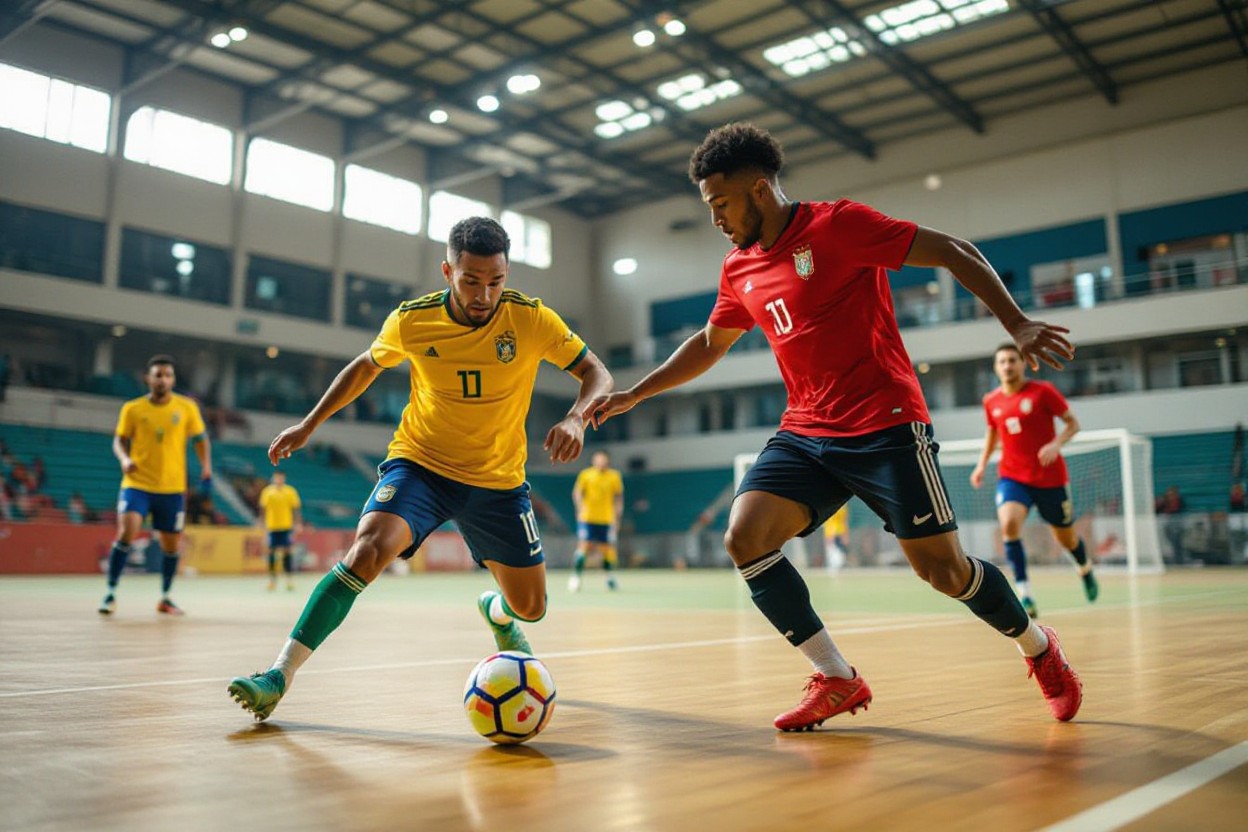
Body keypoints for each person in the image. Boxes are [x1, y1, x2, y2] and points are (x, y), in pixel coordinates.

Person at [588, 123, 1082, 731]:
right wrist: (638, 391)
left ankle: (1038, 647)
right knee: (744, 536)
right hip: (806, 431)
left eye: (720, 203)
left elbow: (955, 251)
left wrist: (1018, 322)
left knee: (944, 573)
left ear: (760, 190)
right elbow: (711, 342)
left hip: (886, 425)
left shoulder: (838, 226)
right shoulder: (738, 265)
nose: (715, 217)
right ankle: (837, 678)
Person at [227, 217, 612, 721]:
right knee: (368, 549)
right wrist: (309, 424)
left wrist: (578, 417)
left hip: (497, 481)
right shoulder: (412, 320)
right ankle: (278, 675)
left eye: (495, 281)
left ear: (506, 272)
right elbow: (366, 365)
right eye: (471, 281)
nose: (484, 294)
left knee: (531, 608)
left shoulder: (532, 319)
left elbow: (596, 373)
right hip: (422, 465)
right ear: (448, 271)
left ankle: (496, 613)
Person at [970, 344, 1098, 618]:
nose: (1007, 365)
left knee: (1066, 538)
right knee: (1009, 524)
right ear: (996, 367)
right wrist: (981, 464)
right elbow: (993, 432)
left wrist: (1055, 443)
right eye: (1002, 361)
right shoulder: (991, 400)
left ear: (1023, 363)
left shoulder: (1043, 392)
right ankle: (1025, 594)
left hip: (1050, 478)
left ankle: (1084, 567)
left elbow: (1073, 424)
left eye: (1012, 360)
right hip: (1013, 476)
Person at [99, 355, 212, 616]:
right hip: (137, 484)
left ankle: (165, 597)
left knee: (171, 546)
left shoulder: (186, 408)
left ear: (172, 379)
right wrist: (125, 458)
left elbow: (200, 438)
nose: (162, 379)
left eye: (167, 375)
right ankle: (110, 593)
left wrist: (206, 466)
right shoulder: (133, 409)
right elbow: (118, 440)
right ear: (148, 379)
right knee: (128, 531)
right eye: (158, 375)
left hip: (172, 489)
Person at [569, 449, 624, 591]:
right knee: (584, 546)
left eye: (603, 459)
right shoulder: (586, 475)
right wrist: (580, 507)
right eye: (598, 459)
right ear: (594, 461)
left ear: (607, 461)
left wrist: (617, 516)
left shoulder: (614, 476)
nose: (601, 462)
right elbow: (577, 492)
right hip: (587, 518)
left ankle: (609, 577)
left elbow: (618, 497)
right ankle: (576, 577)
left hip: (606, 519)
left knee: (606, 550)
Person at [258, 470, 302, 591]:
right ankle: (272, 580)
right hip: (272, 527)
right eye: (277, 478)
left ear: (284, 478)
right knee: (271, 552)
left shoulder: (290, 491)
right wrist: (261, 523)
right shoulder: (267, 492)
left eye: (281, 478)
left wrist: (298, 523)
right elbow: (263, 509)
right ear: (273, 478)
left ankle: (289, 580)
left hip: (286, 527)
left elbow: (296, 509)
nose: (279, 480)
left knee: (287, 552)